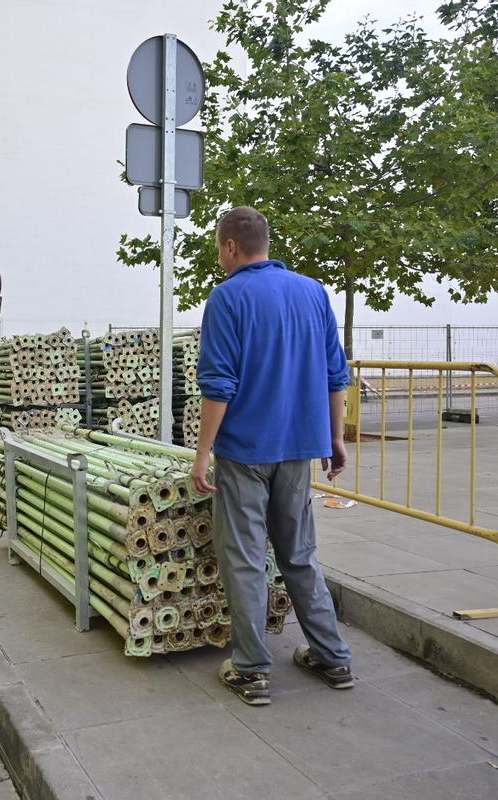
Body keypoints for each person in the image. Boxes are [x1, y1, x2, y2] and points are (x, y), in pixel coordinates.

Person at [190, 207, 353, 706]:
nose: (220, 257)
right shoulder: (311, 292)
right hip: (301, 448)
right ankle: (333, 658)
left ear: (231, 247)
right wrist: (336, 436)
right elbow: (335, 371)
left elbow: (219, 385)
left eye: (219, 248)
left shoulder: (227, 297)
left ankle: (251, 670)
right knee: (299, 554)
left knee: (243, 560)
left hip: (245, 452)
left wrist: (202, 455)